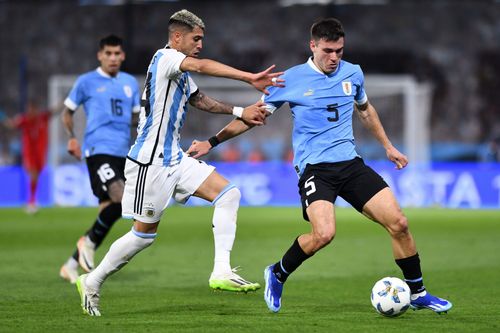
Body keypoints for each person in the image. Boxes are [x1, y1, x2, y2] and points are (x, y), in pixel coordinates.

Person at [187, 18, 452, 314]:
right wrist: (211, 142)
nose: (334, 57)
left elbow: (365, 110)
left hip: (351, 165)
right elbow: (251, 118)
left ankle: (418, 293)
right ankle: (277, 273)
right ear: (312, 46)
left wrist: (388, 146)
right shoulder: (289, 79)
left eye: (339, 50)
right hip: (315, 169)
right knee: (324, 234)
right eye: (328, 50)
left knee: (399, 224)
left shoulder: (353, 73)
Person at [76, 9, 284, 316]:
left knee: (229, 194)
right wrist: (248, 77)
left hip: (174, 155)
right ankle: (92, 281)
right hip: (150, 161)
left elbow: (200, 100)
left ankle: (221, 271)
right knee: (142, 236)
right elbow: (200, 65)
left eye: (202, 39)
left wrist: (239, 111)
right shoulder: (165, 58)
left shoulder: (180, 73)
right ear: (177, 37)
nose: (200, 44)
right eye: (195, 38)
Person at [59, 35, 141, 284]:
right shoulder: (87, 81)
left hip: (122, 152)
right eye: (109, 53)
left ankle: (71, 264)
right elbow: (67, 112)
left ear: (123, 56)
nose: (113, 58)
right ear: (100, 55)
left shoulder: (130, 83)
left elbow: (137, 118)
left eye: (117, 54)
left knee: (113, 211)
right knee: (120, 197)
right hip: (97, 149)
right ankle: (89, 243)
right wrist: (72, 138)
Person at [2, 100, 54, 213]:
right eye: (29, 109)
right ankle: (31, 202)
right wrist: (3, 118)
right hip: (29, 153)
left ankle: (32, 200)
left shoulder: (42, 117)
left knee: (37, 175)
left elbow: (54, 111)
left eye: (32, 109)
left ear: (36, 109)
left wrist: (67, 101)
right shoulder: (24, 119)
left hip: (41, 152)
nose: (30, 111)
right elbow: (11, 124)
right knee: (33, 174)